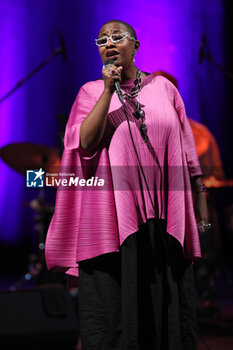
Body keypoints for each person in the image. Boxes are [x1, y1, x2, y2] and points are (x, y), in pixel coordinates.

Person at [45, 20, 209, 350]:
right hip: (114, 223)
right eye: (102, 39)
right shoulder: (90, 92)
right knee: (116, 317)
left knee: (165, 313)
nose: (108, 43)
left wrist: (201, 212)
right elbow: (85, 143)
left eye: (117, 37)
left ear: (135, 45)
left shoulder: (164, 89)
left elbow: (190, 158)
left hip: (162, 220)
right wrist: (108, 91)